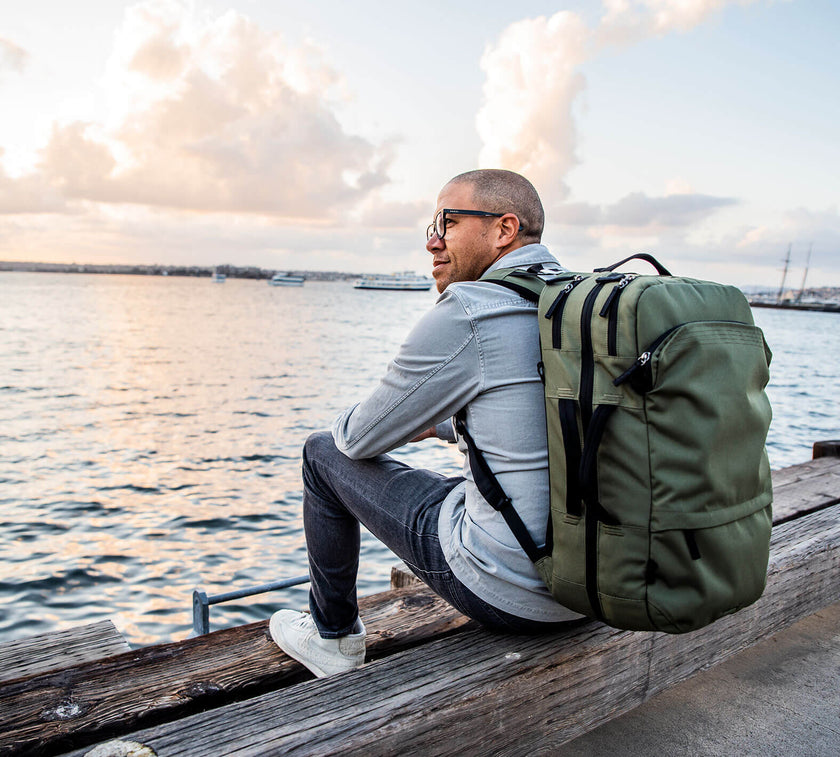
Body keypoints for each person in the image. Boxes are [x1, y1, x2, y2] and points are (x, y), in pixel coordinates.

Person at [270, 169, 581, 678]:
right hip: (597, 584)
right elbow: (552, 418)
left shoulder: (472, 310)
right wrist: (441, 425)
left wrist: (396, 410)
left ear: (504, 229)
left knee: (321, 453)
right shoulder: (577, 303)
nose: (433, 241)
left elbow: (358, 438)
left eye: (448, 221)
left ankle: (333, 639)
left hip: (511, 592)